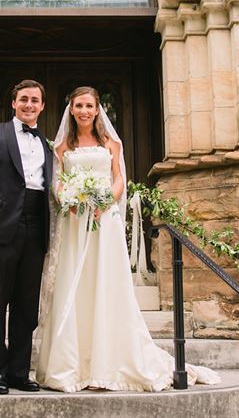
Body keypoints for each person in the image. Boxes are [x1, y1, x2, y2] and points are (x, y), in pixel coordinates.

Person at [35, 86, 221, 392]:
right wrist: (68, 198)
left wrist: (106, 200)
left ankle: (107, 364)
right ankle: (71, 366)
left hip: (103, 222)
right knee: (75, 285)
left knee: (105, 285)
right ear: (71, 110)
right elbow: (56, 182)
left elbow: (119, 177)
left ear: (97, 110)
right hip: (73, 223)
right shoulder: (61, 147)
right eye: (78, 105)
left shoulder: (110, 142)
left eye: (89, 106)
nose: (83, 110)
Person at [0, 79, 53, 395]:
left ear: (42, 106)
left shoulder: (47, 143)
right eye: (24, 100)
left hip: (36, 225)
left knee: (26, 306)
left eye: (35, 100)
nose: (29, 105)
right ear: (13, 103)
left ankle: (19, 371)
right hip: (1, 225)